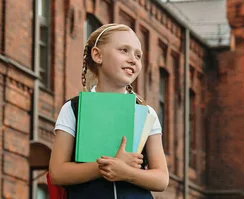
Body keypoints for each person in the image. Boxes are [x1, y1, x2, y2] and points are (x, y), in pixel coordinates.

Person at [48, 23, 169, 199]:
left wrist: (125, 172)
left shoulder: (146, 113)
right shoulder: (73, 109)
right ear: (97, 55)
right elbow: (57, 172)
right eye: (123, 50)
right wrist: (105, 167)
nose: (132, 59)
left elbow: (162, 179)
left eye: (138, 55)